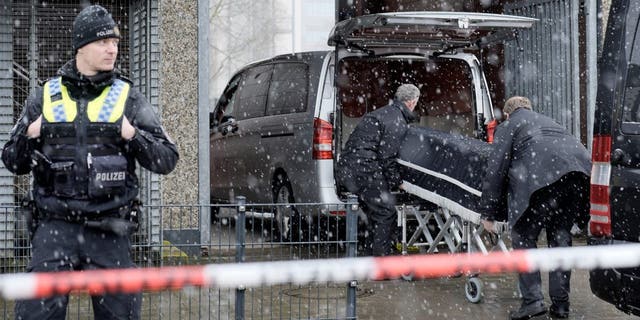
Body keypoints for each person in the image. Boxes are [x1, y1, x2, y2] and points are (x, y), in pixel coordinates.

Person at [2, 5, 179, 319]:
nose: (112, 48)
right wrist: (29, 134)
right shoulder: (45, 97)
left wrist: (132, 134)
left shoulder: (128, 99)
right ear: (81, 46)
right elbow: (12, 161)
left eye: (115, 42)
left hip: (110, 228)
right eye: (103, 42)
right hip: (55, 228)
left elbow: (167, 158)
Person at [479, 96, 590, 320]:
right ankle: (560, 306)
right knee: (560, 237)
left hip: (541, 181)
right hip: (577, 177)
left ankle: (533, 303)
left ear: (508, 114)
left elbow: (495, 169)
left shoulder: (508, 125)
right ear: (529, 109)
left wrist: (489, 213)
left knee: (522, 236)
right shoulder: (550, 121)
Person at [337, 83, 419, 256]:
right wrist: (398, 182)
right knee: (386, 212)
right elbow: (387, 156)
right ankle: (381, 263)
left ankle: (370, 257)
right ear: (412, 102)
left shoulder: (381, 113)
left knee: (376, 212)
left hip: (348, 167)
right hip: (364, 168)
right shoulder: (397, 120)